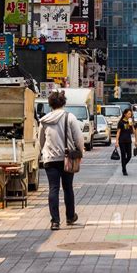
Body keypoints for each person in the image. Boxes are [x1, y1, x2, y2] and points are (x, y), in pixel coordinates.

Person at [39, 90, 84, 230]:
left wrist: (45, 152)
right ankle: (70, 217)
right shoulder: (69, 117)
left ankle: (55, 221)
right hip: (67, 157)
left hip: (50, 159)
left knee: (53, 188)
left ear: (50, 104)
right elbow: (79, 138)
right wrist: (80, 152)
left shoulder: (44, 120)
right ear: (63, 102)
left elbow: (41, 141)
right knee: (67, 187)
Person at [116, 109, 135, 175]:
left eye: (131, 114)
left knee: (129, 156)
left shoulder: (130, 122)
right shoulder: (121, 122)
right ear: (125, 114)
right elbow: (118, 132)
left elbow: (133, 132)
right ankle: (124, 169)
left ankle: (123, 165)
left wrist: (132, 125)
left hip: (128, 141)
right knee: (123, 155)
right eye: (129, 114)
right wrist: (116, 142)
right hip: (122, 141)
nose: (130, 115)